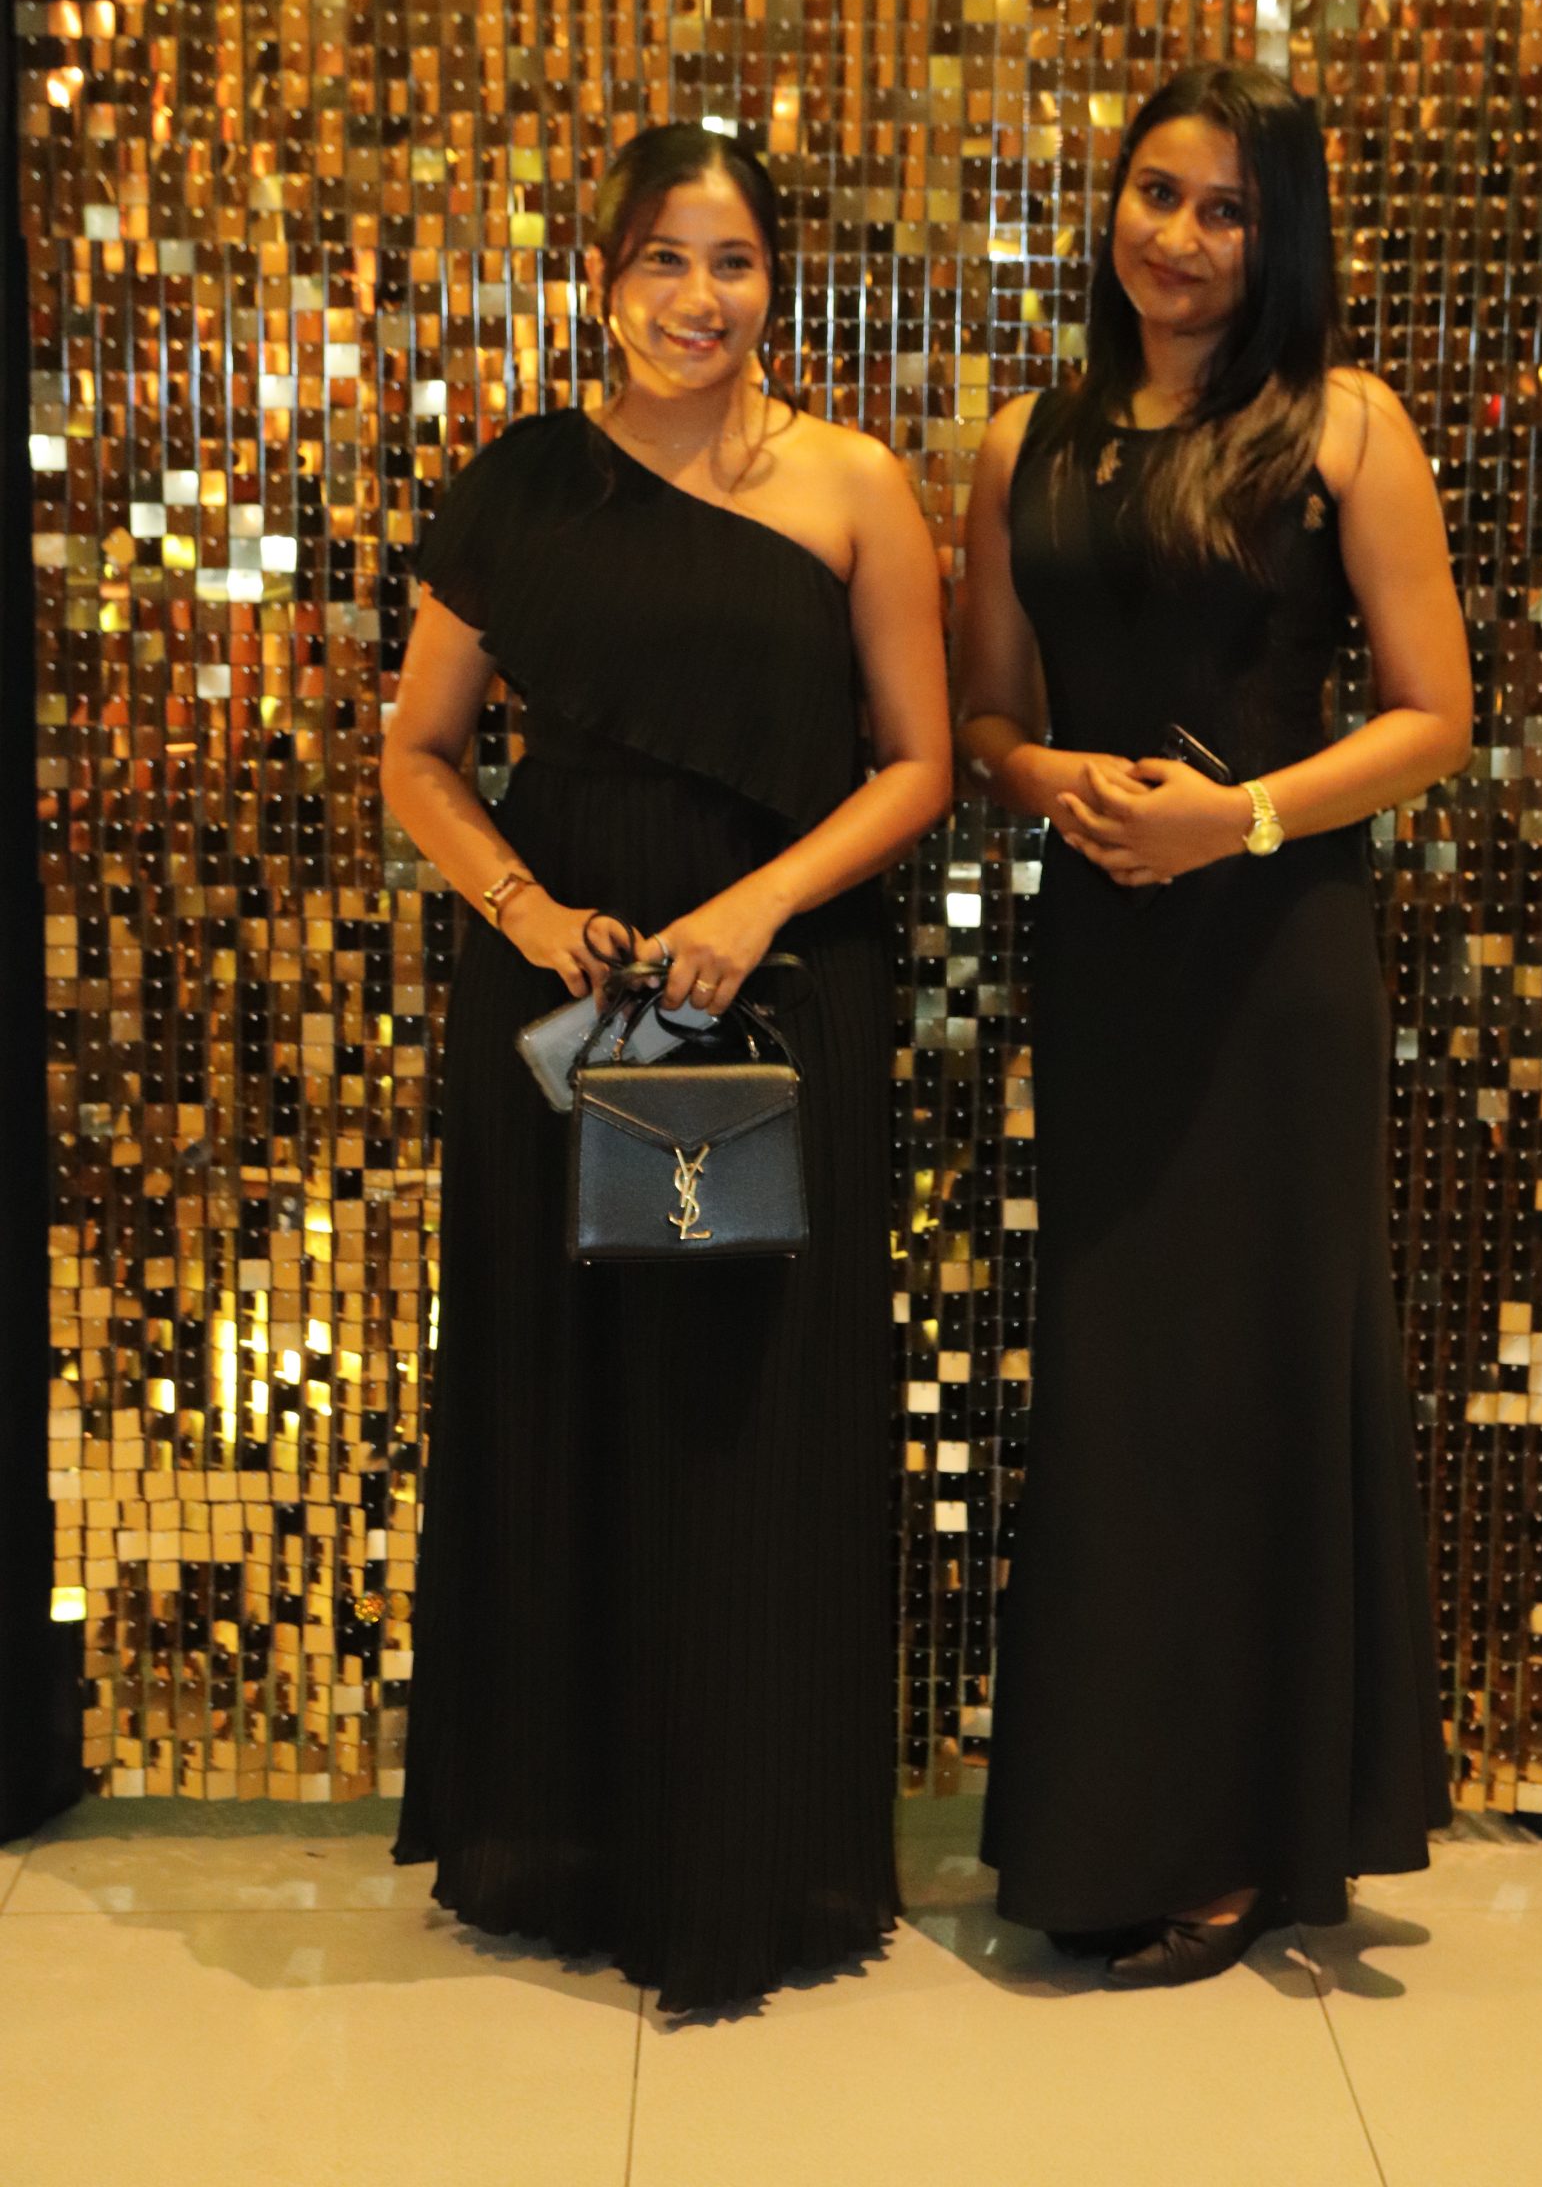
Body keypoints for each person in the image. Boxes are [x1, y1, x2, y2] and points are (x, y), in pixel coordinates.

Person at [383, 123, 952, 2014]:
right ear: (603, 275)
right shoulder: (524, 484)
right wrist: (531, 910)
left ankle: (751, 1863)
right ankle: (566, 1844)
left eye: (731, 261)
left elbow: (919, 765)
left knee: (746, 1417)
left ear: (776, 280)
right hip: (573, 1005)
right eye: (660, 260)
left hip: (776, 996)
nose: (695, 299)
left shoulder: (856, 485)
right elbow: (420, 754)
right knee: (569, 1397)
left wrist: (756, 908)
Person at [956, 63, 1471, 1986]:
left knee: (1256, 1375)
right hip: (1107, 957)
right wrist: (1049, 779)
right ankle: (1109, 1832)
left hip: (1276, 962)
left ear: (1281, 237)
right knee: (1122, 1383)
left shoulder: (1344, 425)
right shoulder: (1025, 441)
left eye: (1227, 209)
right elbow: (986, 717)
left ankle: (1254, 1836)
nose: (1178, 237)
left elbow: (1433, 717)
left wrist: (1236, 817)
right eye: (1156, 193)